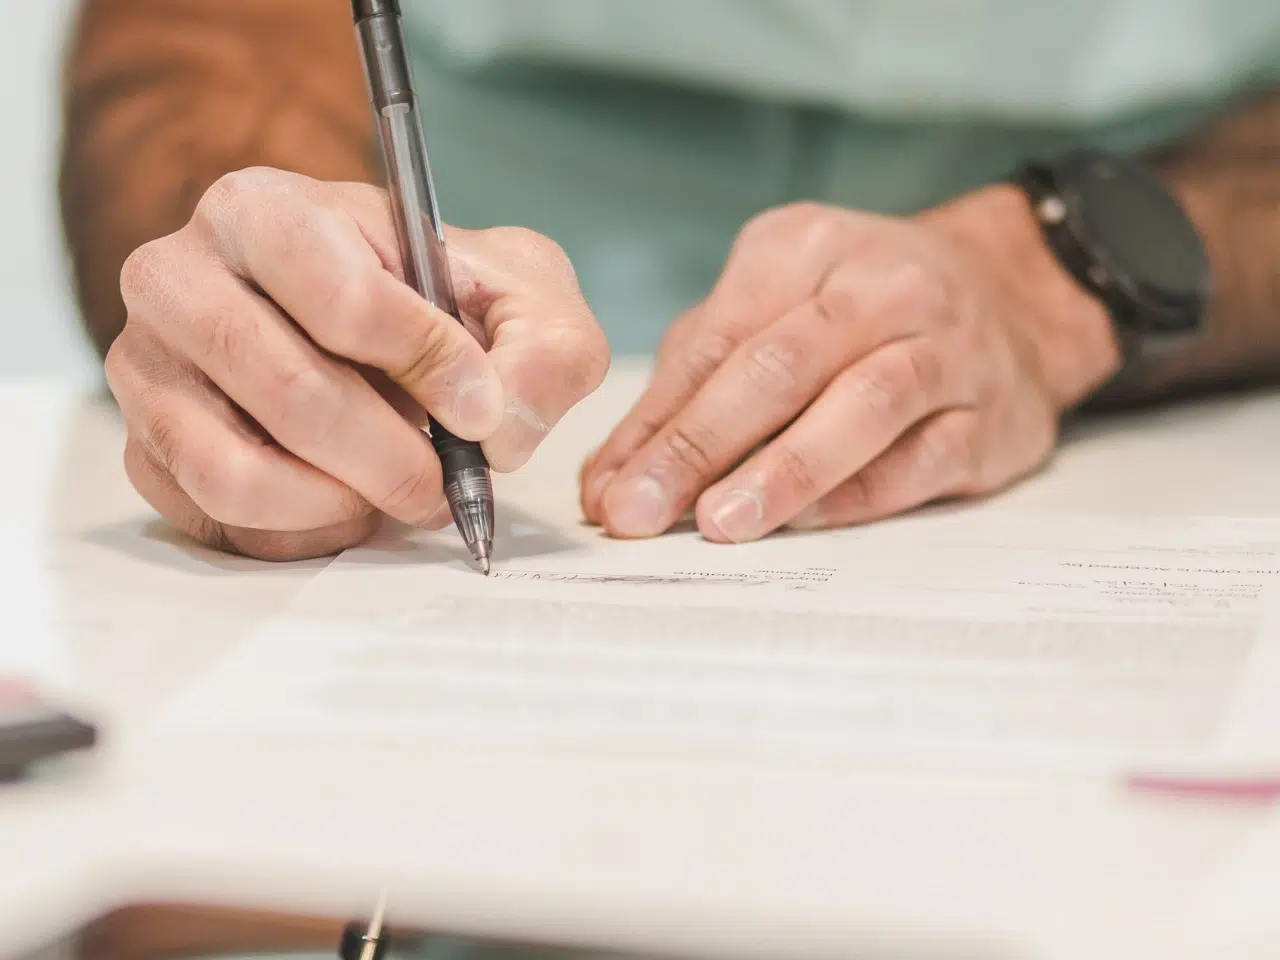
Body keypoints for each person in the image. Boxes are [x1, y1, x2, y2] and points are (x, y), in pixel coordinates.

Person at [60, 0, 1280, 569]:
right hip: (464, 303)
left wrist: (1058, 271)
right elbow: (201, 28)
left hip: (1161, 321)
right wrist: (271, 288)